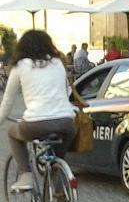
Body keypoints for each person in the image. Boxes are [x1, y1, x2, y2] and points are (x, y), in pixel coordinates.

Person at [1, 30, 77, 193]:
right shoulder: (57, 63)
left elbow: (7, 102)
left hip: (36, 124)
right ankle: (61, 198)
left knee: (12, 133)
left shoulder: (19, 67)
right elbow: (67, 92)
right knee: (58, 159)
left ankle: (25, 175)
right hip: (67, 123)